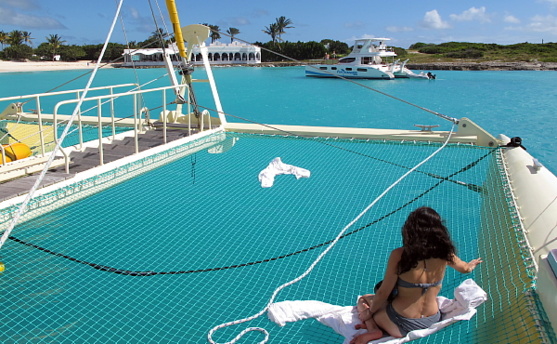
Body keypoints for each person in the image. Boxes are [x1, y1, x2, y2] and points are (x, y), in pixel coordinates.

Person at [350, 207, 483, 344]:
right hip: (432, 319)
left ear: (410, 230)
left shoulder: (400, 255)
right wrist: (471, 264)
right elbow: (465, 269)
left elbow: (383, 292)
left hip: (400, 324)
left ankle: (373, 330)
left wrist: (369, 313)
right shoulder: (445, 253)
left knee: (364, 300)